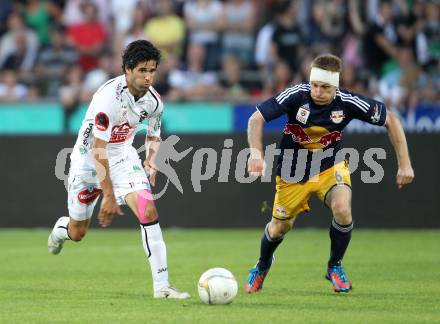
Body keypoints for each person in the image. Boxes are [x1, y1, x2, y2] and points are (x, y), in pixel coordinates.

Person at [245, 54, 414, 293]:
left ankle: (335, 265)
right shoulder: (296, 95)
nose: (318, 91)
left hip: (330, 166)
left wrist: (405, 164)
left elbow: (392, 120)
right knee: (278, 228)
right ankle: (262, 265)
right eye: (314, 85)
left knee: (343, 210)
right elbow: (255, 119)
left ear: (335, 86)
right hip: (292, 170)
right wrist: (255, 153)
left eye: (325, 87)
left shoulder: (348, 102)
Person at [47, 40, 190, 299]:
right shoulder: (108, 98)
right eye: (142, 71)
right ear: (127, 69)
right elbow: (98, 149)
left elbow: (154, 134)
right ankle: (61, 230)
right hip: (88, 159)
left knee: (148, 209)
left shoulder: (154, 101)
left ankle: (163, 287)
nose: (148, 77)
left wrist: (151, 161)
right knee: (78, 232)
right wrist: (109, 196)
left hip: (123, 156)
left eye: (152, 71)